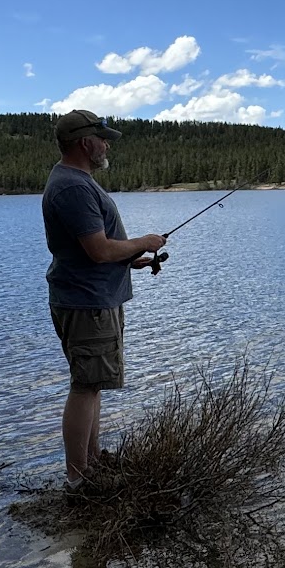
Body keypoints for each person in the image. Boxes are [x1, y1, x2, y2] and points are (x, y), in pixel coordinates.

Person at [43, 110, 166, 485]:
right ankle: (79, 478)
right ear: (85, 142)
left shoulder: (74, 182)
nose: (107, 144)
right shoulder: (74, 187)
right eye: (102, 138)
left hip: (93, 298)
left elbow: (94, 250)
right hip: (88, 303)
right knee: (84, 387)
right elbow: (97, 251)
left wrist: (132, 259)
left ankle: (91, 464)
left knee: (92, 384)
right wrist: (143, 241)